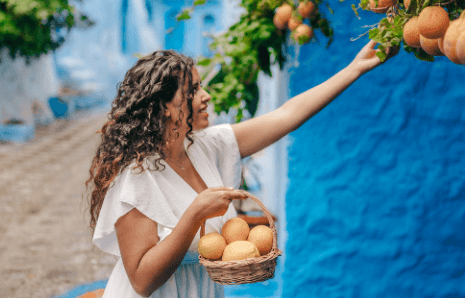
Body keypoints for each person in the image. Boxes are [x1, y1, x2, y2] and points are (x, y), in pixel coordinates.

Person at [85, 40, 393, 298]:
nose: (205, 97)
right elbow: (142, 280)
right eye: (193, 90)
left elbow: (287, 115)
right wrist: (194, 215)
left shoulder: (207, 146)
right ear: (166, 105)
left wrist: (355, 69)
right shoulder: (137, 177)